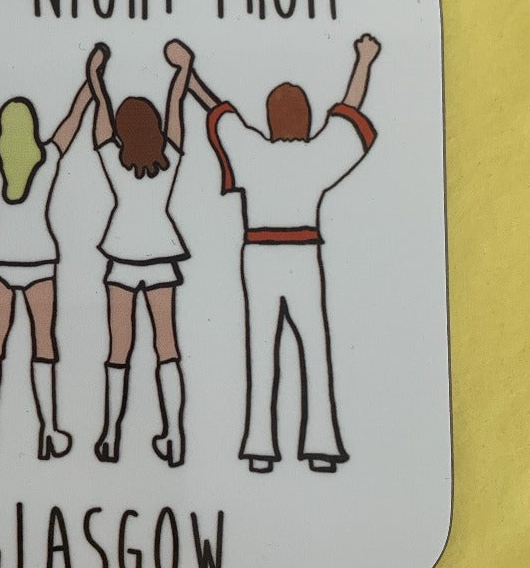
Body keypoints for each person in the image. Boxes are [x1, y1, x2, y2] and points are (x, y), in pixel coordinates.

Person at [189, 34, 383, 474]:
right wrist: (364, 60)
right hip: (302, 255)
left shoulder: (252, 151)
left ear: (270, 119)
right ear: (307, 119)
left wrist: (189, 71)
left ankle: (259, 449)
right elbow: (349, 113)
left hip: (258, 256)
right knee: (313, 347)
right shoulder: (317, 156)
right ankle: (321, 448)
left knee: (262, 349)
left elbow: (216, 109)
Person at [0, 57, 94, 460]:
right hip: (38, 260)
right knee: (44, 342)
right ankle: (49, 429)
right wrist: (90, 81)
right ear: (33, 129)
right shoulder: (48, 158)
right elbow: (73, 120)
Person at [86, 39, 194, 467]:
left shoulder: (114, 160)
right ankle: (175, 435)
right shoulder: (170, 157)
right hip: (161, 256)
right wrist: (181, 70)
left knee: (120, 348)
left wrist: (96, 77)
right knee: (167, 345)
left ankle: (111, 434)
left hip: (123, 257)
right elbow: (176, 106)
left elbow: (101, 116)